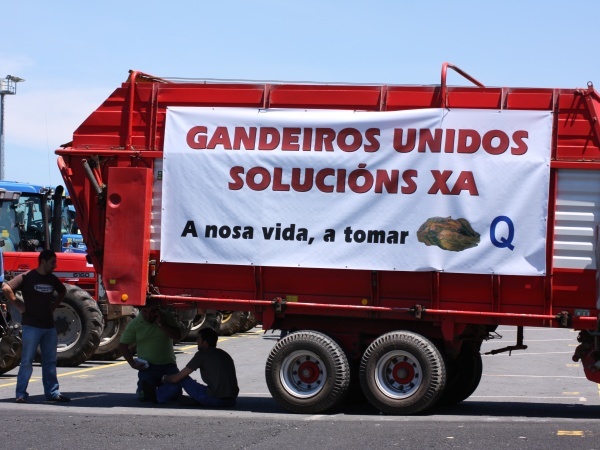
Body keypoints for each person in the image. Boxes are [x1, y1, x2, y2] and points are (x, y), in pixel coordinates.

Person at [2, 249, 69, 403]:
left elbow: (63, 291)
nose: (55, 266)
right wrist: (18, 304)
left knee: (50, 361)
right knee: (27, 360)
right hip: (31, 326)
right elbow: (6, 288)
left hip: (49, 327)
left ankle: (53, 393)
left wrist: (54, 306)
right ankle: (20, 394)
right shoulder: (28, 277)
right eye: (53, 262)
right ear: (43, 261)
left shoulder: (52, 279)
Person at [149, 327, 239, 407]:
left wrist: (164, 378)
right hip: (231, 401)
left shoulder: (202, 354)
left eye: (198, 339)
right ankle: (192, 400)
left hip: (215, 400)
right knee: (200, 388)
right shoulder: (224, 354)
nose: (197, 341)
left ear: (205, 343)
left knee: (182, 378)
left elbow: (176, 379)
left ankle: (157, 397)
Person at [118, 301, 183, 401]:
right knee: (145, 397)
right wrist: (132, 364)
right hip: (148, 367)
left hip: (168, 366)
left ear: (157, 310)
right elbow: (123, 345)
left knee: (176, 394)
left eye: (152, 311)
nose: (148, 315)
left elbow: (177, 336)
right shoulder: (135, 324)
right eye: (145, 311)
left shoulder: (167, 317)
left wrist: (161, 324)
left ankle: (158, 391)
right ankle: (147, 389)